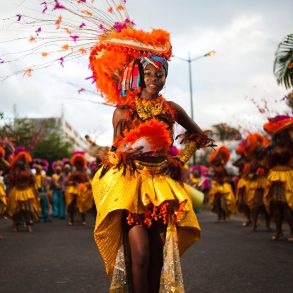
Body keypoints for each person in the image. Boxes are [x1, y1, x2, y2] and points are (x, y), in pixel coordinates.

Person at [89, 19, 214, 291]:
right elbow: (113, 152)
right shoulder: (124, 111)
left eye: (160, 75)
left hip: (161, 186)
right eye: (149, 74)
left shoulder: (171, 109)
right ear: (139, 75)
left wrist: (178, 160)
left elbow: (200, 137)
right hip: (132, 186)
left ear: (166, 76)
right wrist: (122, 153)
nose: (155, 80)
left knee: (158, 257)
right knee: (141, 255)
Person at [263, 115, 293, 242]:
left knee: (286, 204)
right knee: (274, 204)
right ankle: (279, 230)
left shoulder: (290, 144)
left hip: (286, 175)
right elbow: (269, 162)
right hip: (274, 176)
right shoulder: (272, 146)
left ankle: (292, 231)